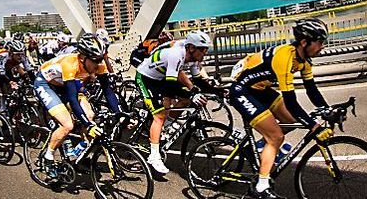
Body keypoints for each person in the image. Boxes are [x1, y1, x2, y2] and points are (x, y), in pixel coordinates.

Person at [228, 19, 333, 199]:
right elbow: (291, 102)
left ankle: (261, 147)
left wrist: (327, 109)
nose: (322, 46)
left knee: (290, 120)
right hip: (242, 90)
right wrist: (313, 125)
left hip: (259, 89)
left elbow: (311, 89)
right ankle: (260, 187)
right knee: (276, 136)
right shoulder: (284, 58)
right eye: (320, 42)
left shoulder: (303, 61)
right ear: (304, 42)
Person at [135, 31, 220, 175]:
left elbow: (197, 80)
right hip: (146, 78)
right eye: (203, 50)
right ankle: (154, 156)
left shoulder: (193, 58)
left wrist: (219, 92)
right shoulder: (176, 54)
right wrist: (192, 94)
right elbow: (170, 86)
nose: (205, 53)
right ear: (192, 48)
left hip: (161, 77)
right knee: (159, 115)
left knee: (185, 100)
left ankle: (164, 128)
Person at [33, 36, 121, 177]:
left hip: (66, 84)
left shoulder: (98, 64)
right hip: (46, 84)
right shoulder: (70, 63)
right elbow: (73, 100)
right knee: (67, 125)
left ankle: (79, 155)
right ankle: (48, 157)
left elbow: (108, 91)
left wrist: (120, 114)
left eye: (100, 59)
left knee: (90, 116)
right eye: (95, 60)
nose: (98, 64)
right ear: (83, 57)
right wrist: (88, 125)